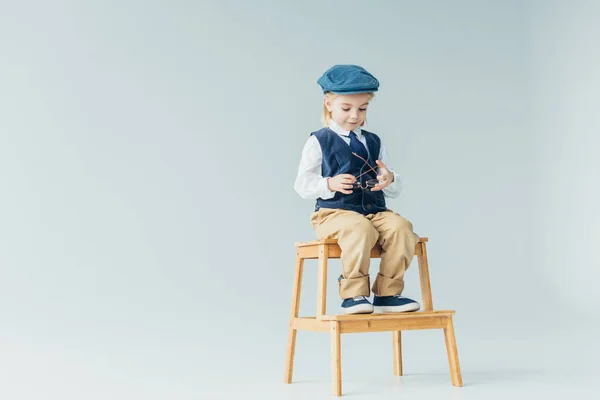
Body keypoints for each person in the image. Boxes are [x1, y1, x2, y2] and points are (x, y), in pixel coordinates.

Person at [294, 64, 421, 315]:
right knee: (358, 228)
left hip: (373, 212)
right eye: (346, 108)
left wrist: (389, 178)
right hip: (333, 214)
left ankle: (388, 293)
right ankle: (353, 294)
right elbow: (302, 184)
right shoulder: (319, 140)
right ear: (329, 104)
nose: (354, 115)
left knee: (401, 228)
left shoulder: (373, 141)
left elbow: (391, 182)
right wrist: (329, 184)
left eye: (362, 109)